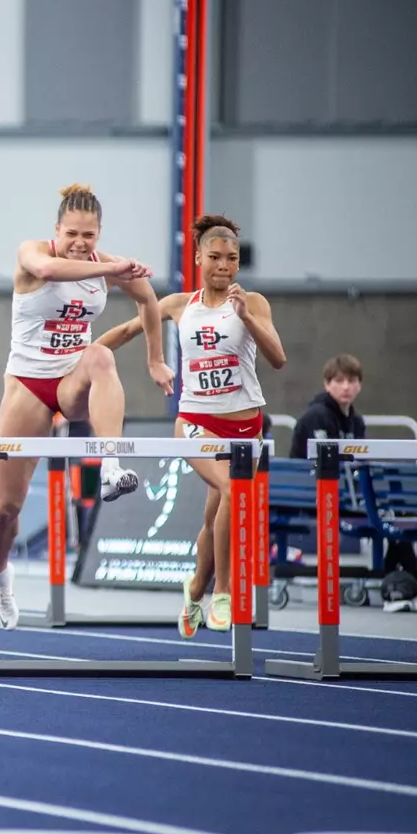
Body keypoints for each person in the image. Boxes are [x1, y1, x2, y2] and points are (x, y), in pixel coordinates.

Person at [0, 184, 174, 629]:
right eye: (72, 233)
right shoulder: (33, 252)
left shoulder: (104, 263)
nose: (80, 242)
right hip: (28, 387)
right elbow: (49, 269)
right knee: (6, 510)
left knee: (101, 355)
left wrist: (156, 359)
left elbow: (150, 300)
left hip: (72, 381)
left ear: (98, 234)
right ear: (56, 229)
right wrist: (114, 267)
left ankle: (110, 466)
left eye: (89, 236)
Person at [99, 214, 286, 638]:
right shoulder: (179, 304)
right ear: (198, 256)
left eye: (232, 259)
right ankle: (223, 593)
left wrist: (248, 318)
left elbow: (278, 358)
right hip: (196, 422)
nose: (224, 265)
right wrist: (87, 354)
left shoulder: (253, 302)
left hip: (246, 425)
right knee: (233, 491)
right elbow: (130, 329)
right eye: (216, 257)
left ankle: (195, 587)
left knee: (214, 513)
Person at [288, 354, 366, 460]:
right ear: (327, 384)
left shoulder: (357, 421)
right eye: (339, 381)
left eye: (351, 381)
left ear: (359, 385)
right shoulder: (316, 416)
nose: (346, 387)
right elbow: (324, 459)